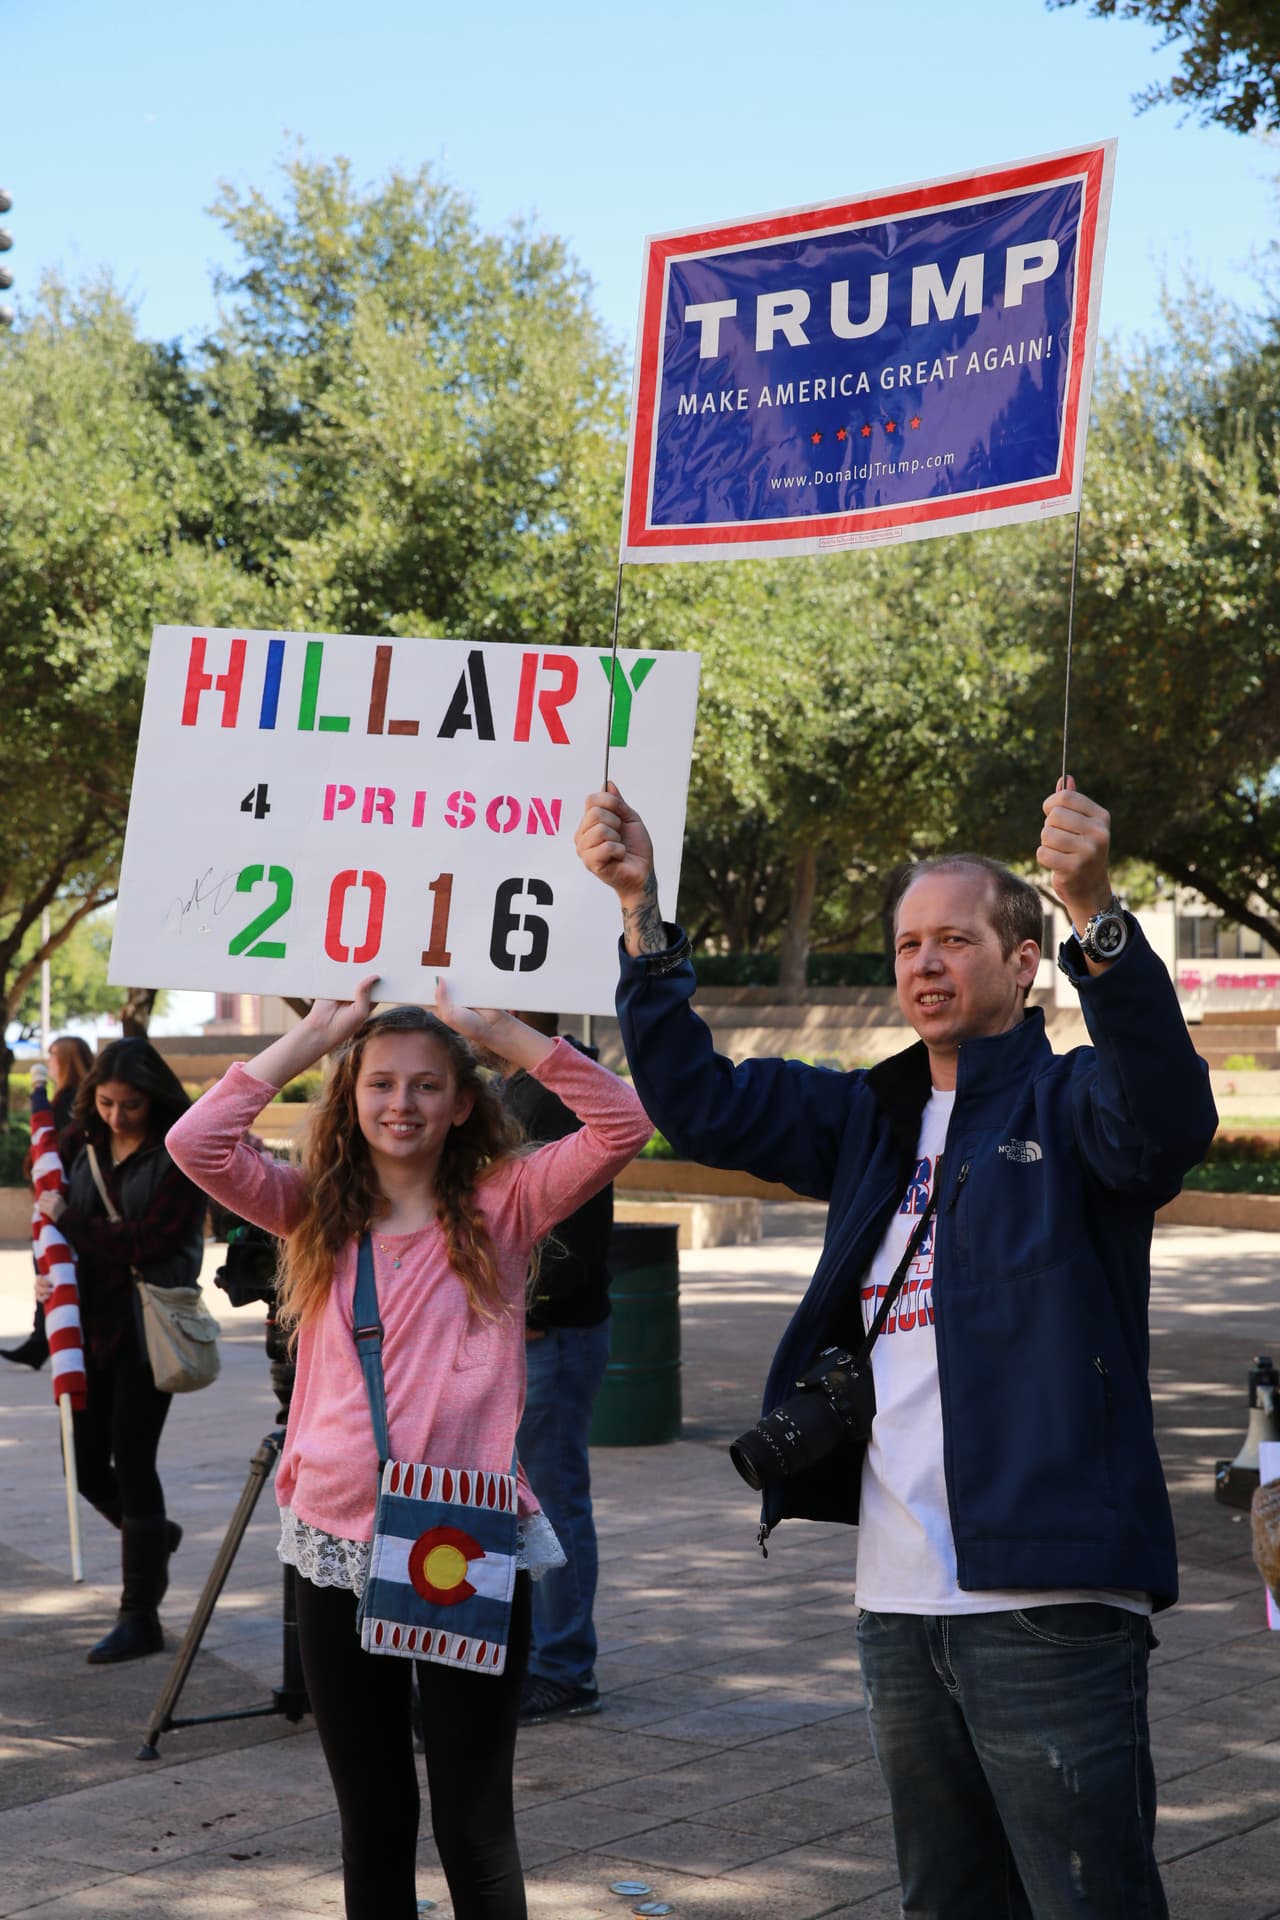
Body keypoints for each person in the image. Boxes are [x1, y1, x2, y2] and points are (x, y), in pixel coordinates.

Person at [576, 777, 1217, 1920]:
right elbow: (703, 1103)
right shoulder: (865, 1113)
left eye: (954, 940)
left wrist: (1096, 916)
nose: (924, 963)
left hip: (1050, 1593)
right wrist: (640, 917)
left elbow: (1167, 1122)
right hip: (897, 1601)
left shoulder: (1072, 1105)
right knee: (945, 1901)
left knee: (1088, 1901)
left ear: (1022, 962)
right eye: (906, 944)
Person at [166, 980, 651, 1920]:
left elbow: (622, 1125)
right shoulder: (310, 1211)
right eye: (380, 1084)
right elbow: (197, 1144)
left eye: (428, 1085)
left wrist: (497, 1030)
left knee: (475, 1822)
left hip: (463, 1540)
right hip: (335, 1545)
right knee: (375, 1818)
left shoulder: (506, 1206)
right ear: (351, 1100)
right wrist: (312, 1037)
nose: (402, 1103)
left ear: (463, 1102)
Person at [35, 1037, 205, 1663]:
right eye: (105, 1102)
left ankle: (140, 1617)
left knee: (133, 1461)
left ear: (154, 1099)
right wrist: (47, 1276)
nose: (115, 1117)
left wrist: (71, 1224)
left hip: (147, 1332)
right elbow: (58, 1228)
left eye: (129, 1105)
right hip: (87, 1328)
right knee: (81, 1464)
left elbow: (147, 1243)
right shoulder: (79, 1143)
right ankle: (153, 1538)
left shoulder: (180, 1153)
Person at [501, 1012, 614, 1725]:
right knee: (536, 1498)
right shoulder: (513, 1090)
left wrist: (533, 1309)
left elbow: (567, 1228)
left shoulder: (559, 1093)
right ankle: (548, 1655)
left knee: (554, 1499)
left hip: (549, 1333)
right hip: (530, 1331)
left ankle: (565, 1667)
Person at [5, 1035, 95, 1371]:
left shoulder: (69, 1102)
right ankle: (40, 1337)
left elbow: (56, 1150)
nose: (50, 1061)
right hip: (58, 1198)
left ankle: (45, 1337)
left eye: (55, 1055)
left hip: (65, 1199)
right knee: (45, 1264)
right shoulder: (70, 1098)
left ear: (70, 1059)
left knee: (51, 1262)